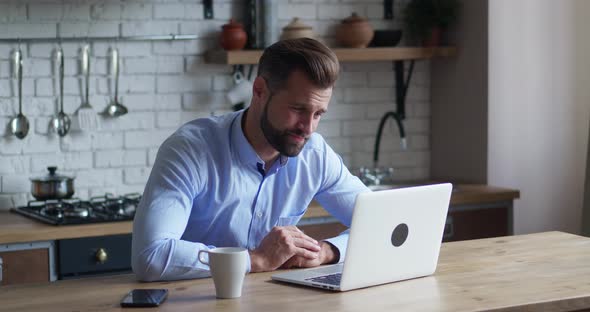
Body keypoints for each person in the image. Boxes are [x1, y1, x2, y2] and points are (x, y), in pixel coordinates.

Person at [132, 38, 369, 281]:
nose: (308, 128)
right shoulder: (190, 150)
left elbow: (384, 223)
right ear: (259, 91)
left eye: (318, 114)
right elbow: (150, 255)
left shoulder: (315, 155)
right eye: (298, 109)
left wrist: (328, 251)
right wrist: (255, 259)